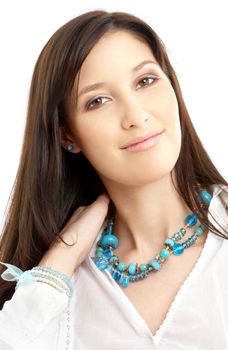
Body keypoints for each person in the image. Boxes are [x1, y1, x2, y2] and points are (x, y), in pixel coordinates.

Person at [0, 9, 227, 350]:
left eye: (146, 81)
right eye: (98, 101)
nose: (136, 116)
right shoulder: (62, 285)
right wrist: (58, 263)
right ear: (67, 135)